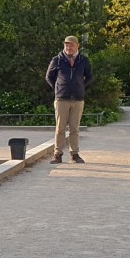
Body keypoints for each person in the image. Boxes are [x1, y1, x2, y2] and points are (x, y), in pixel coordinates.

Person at [45, 35, 92, 164]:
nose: (69, 47)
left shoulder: (83, 60)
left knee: (74, 128)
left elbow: (89, 77)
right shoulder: (57, 60)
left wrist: (81, 87)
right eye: (66, 45)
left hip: (78, 99)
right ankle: (58, 154)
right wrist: (58, 88)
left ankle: (75, 154)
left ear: (77, 46)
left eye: (71, 45)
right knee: (60, 128)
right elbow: (49, 77)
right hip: (62, 99)